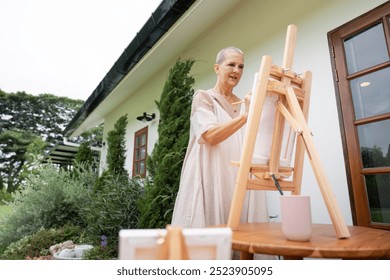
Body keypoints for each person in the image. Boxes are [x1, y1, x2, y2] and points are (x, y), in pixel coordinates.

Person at [171, 47, 269, 228]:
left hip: (237, 179)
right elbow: (209, 136)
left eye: (241, 66)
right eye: (231, 64)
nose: (236, 70)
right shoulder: (204, 98)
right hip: (211, 176)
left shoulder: (243, 103)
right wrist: (246, 116)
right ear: (217, 68)